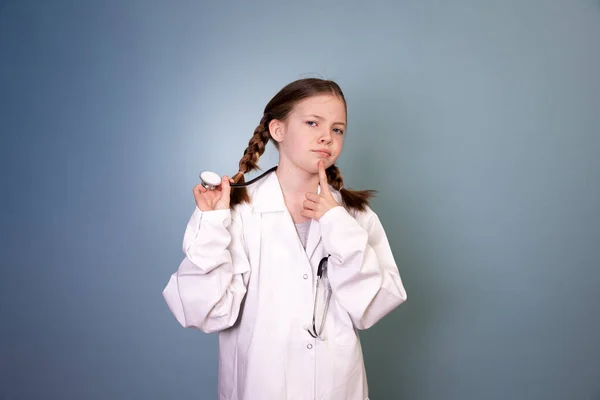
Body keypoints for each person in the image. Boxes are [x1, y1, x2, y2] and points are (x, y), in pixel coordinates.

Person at [163, 78, 407, 400]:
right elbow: (202, 311)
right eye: (312, 123)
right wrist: (212, 224)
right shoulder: (235, 211)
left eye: (337, 129)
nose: (326, 137)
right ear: (278, 131)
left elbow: (372, 306)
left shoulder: (354, 215)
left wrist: (336, 224)